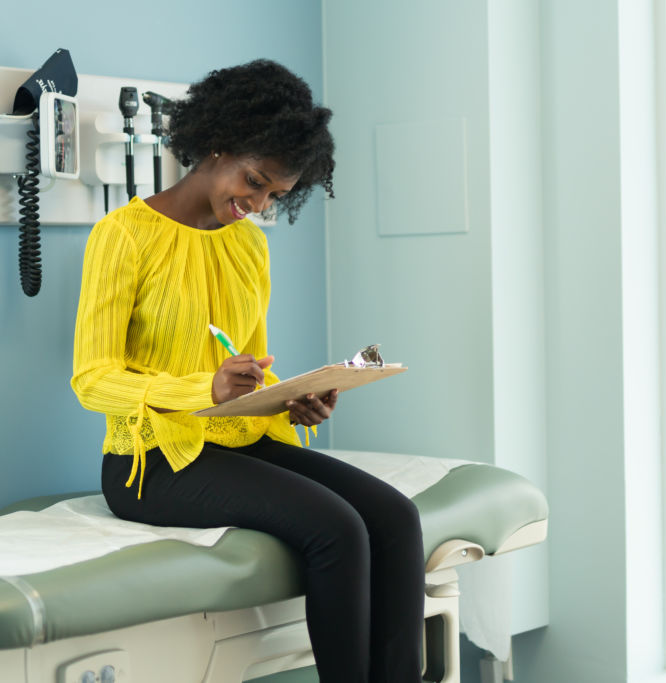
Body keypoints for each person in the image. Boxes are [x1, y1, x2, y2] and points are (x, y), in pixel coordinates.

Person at [70, 59, 424, 683]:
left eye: (274, 196)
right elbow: (92, 379)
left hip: (241, 439)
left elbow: (251, 368)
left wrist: (292, 401)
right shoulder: (122, 235)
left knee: (396, 518)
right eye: (253, 181)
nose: (256, 205)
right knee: (337, 528)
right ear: (216, 144)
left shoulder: (249, 245)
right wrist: (200, 387)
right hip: (151, 464)